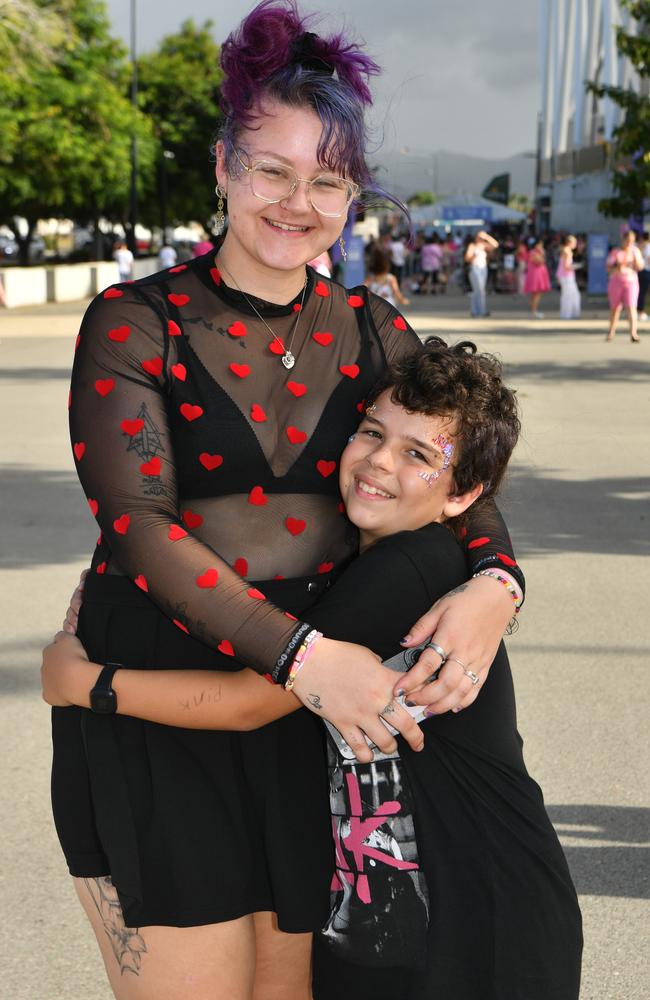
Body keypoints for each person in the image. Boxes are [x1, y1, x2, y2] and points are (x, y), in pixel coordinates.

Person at [50, 2, 524, 997]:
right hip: (167, 715)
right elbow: (136, 523)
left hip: (311, 732)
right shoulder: (135, 320)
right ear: (223, 166)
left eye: (327, 179)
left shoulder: (369, 325)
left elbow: (454, 477)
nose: (296, 201)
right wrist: (310, 660)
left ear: (352, 197)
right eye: (271, 168)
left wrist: (495, 584)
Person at [44, 340, 580, 1000]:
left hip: (485, 910)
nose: (380, 461)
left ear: (462, 494)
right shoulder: (370, 561)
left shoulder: (410, 569)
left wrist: (86, 684)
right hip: (409, 898)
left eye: (417, 455)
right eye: (371, 433)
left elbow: (252, 701)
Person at [606, 229, 644, 343]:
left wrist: (637, 262)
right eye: (627, 241)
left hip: (631, 281)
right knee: (615, 308)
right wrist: (615, 267)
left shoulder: (635, 251)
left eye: (631, 241)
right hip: (616, 281)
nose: (629, 243)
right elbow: (608, 268)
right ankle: (611, 331)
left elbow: (641, 267)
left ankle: (633, 333)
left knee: (631, 307)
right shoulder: (616, 252)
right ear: (623, 240)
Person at [464, 230, 498, 317]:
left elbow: (495, 245)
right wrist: (475, 255)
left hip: (483, 269)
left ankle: (480, 310)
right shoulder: (472, 246)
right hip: (475, 268)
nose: (481, 239)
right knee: (478, 290)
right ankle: (476, 311)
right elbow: (467, 258)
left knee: (481, 290)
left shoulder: (483, 246)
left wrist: (487, 237)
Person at [524, 238, 551, 318]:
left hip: (538, 274)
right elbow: (540, 261)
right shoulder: (534, 253)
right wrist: (543, 253)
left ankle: (533, 310)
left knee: (535, 294)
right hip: (536, 275)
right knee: (536, 293)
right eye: (540, 245)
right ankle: (534, 311)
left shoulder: (534, 252)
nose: (541, 246)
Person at [557, 234, 581, 319]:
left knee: (571, 295)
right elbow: (567, 266)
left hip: (565, 276)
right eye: (574, 242)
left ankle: (568, 314)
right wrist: (578, 266)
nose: (575, 244)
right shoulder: (567, 252)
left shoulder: (565, 250)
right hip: (567, 276)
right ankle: (567, 315)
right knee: (569, 295)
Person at [635, 230, 650, 321]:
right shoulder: (648, 246)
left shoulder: (636, 246)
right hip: (646, 271)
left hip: (637, 271)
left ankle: (636, 311)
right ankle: (640, 312)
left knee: (637, 292)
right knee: (643, 293)